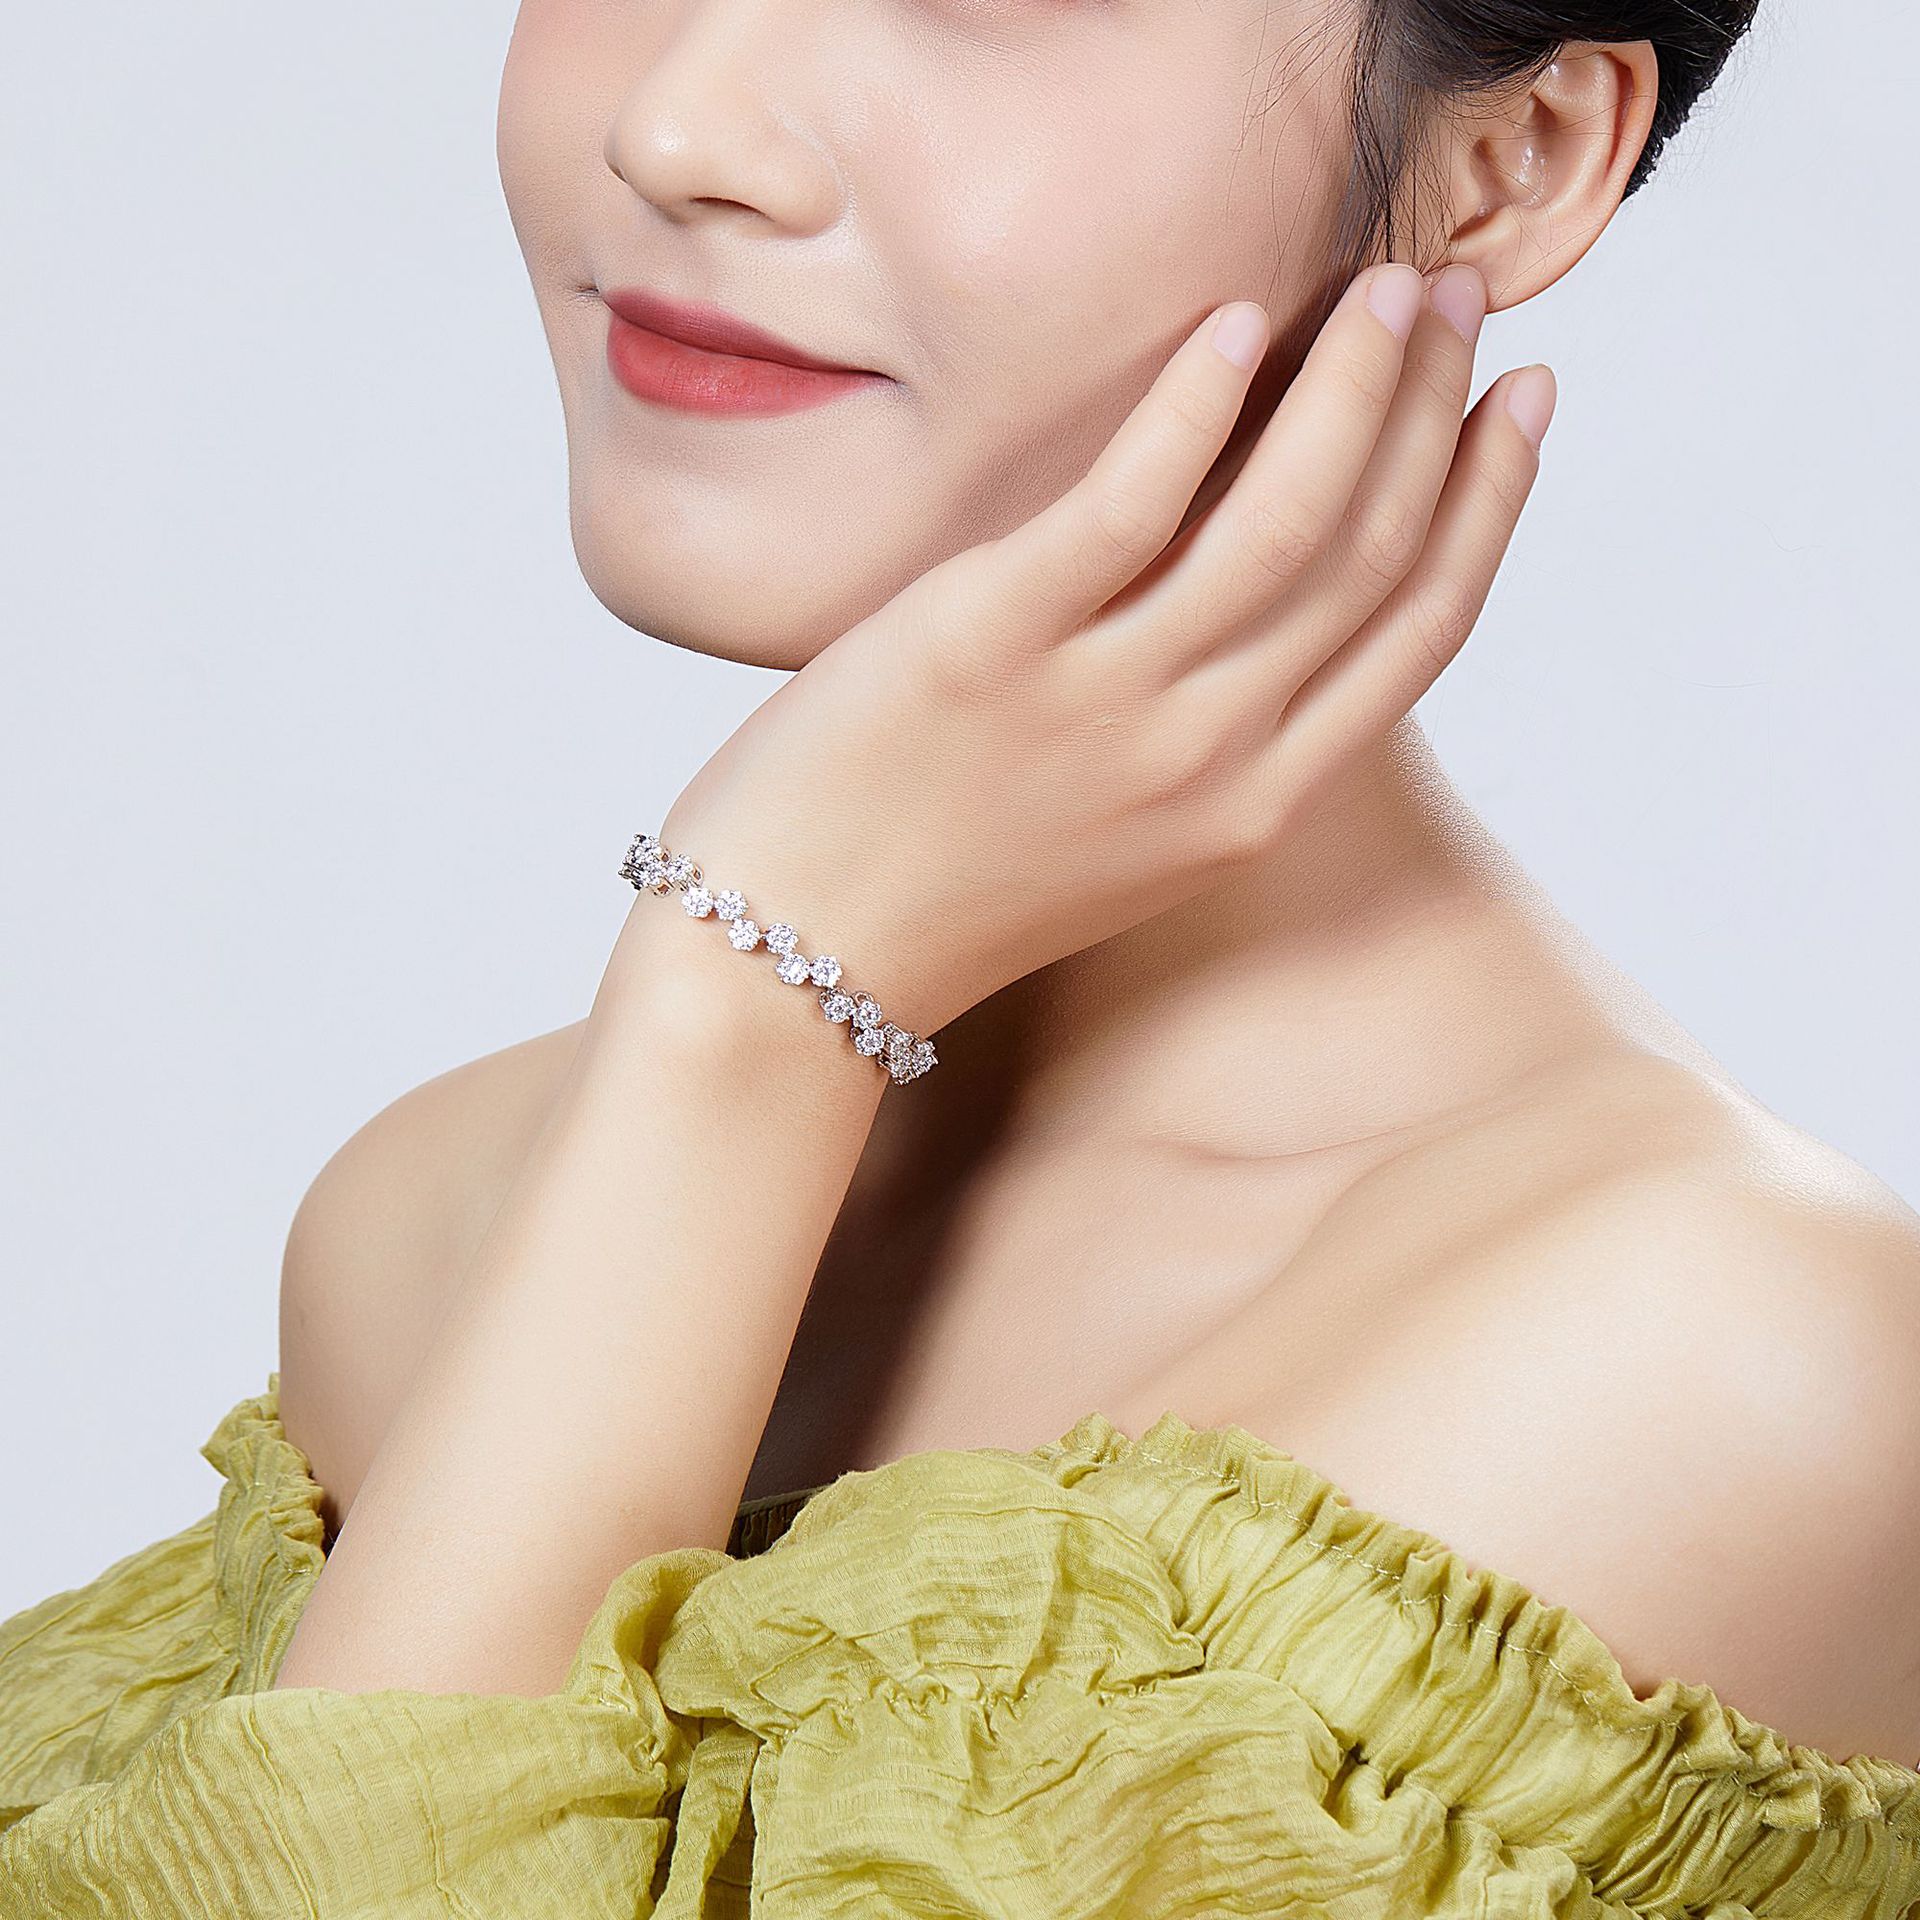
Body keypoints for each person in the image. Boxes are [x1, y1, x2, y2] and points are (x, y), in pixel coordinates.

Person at [4, 0, 1917, 1912]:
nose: (679, 129)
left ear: (1516, 155)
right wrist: (743, 1015)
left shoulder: (1718, 1364)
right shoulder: (442, 1223)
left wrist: (757, 993)